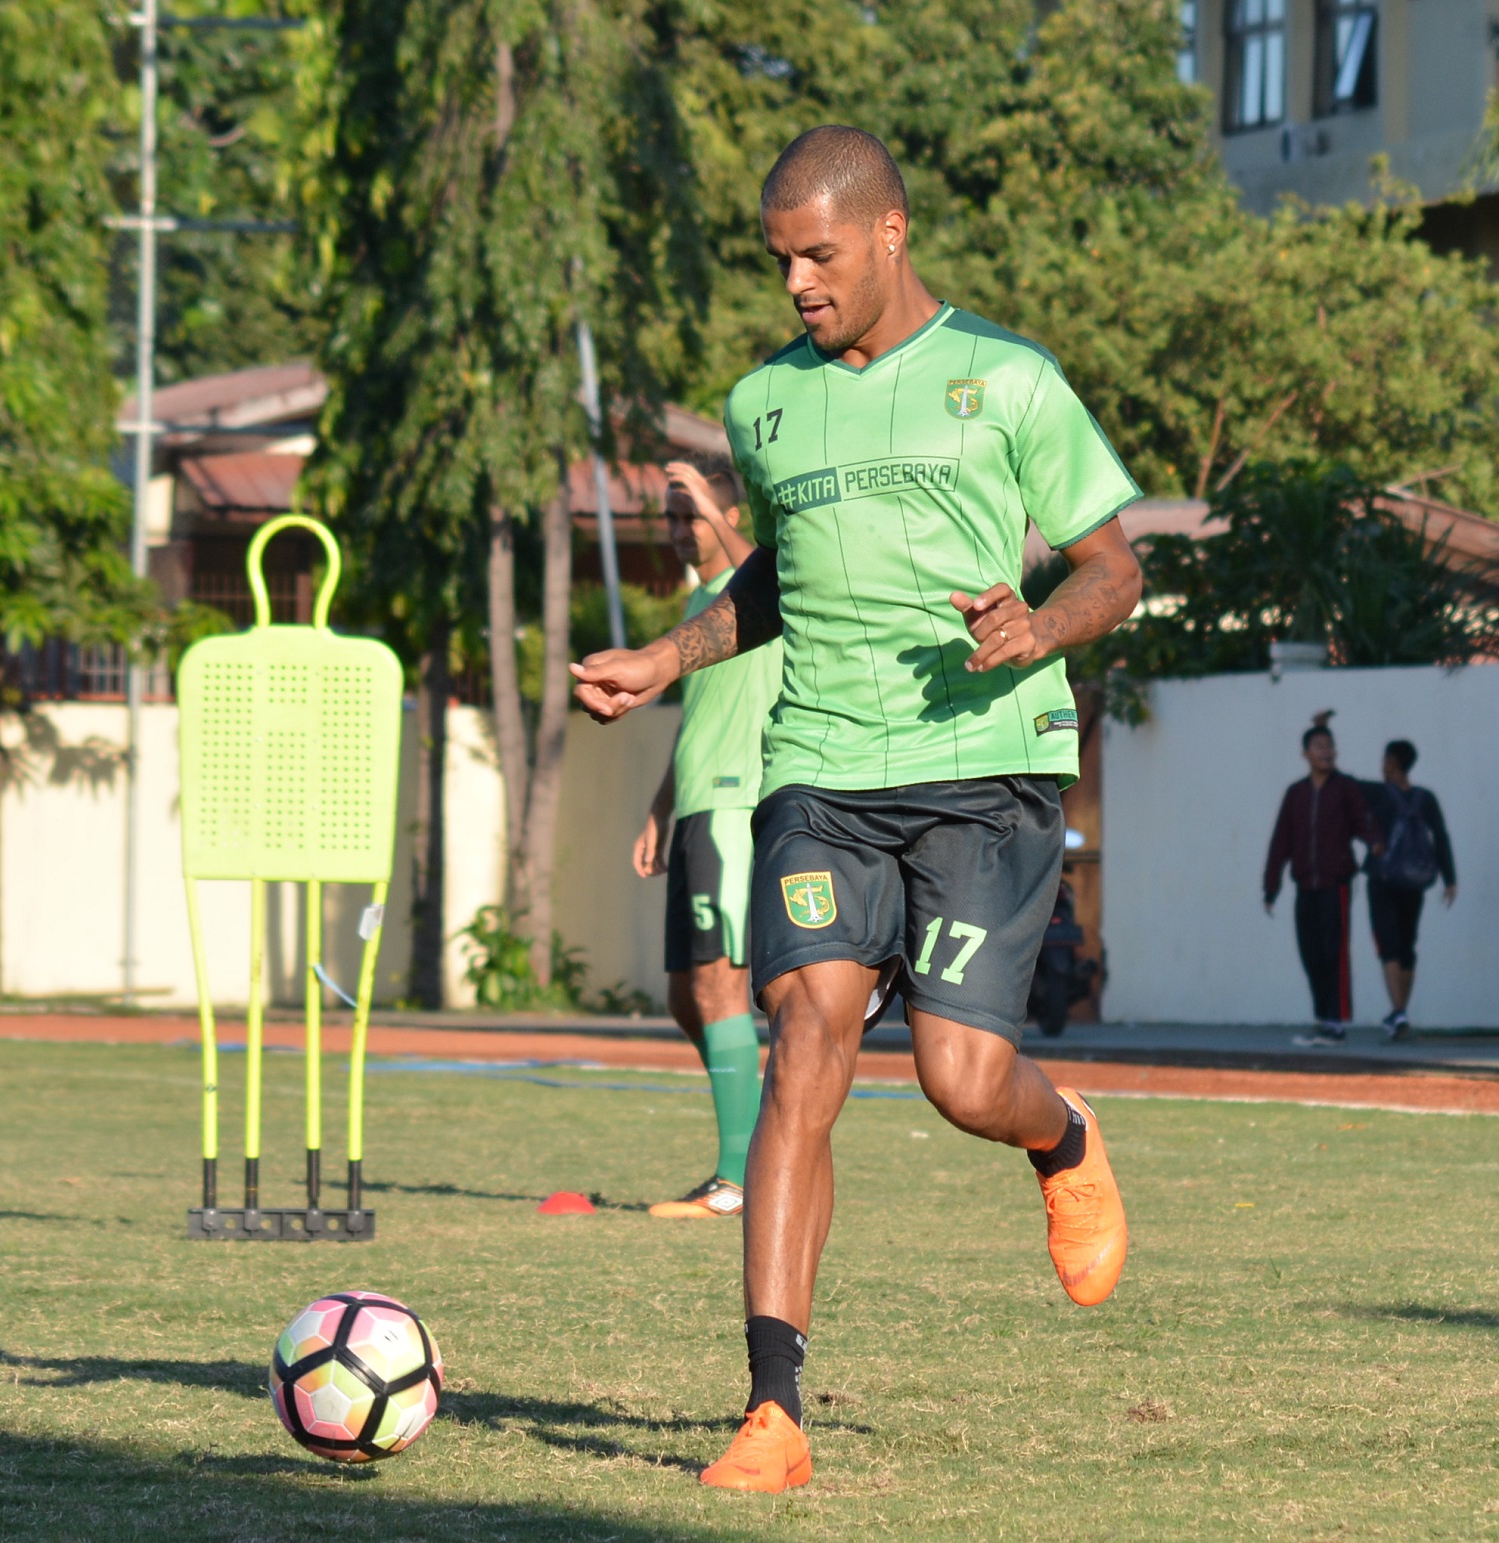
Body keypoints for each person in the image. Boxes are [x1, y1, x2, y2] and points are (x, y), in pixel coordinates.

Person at [570, 125, 1142, 1494]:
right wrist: (669, 653)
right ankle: (774, 1404)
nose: (799, 285)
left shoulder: (1009, 380)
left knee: (960, 1078)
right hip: (820, 769)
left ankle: (1061, 1137)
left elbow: (1114, 568)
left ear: (890, 231)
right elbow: (777, 577)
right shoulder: (764, 403)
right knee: (803, 1043)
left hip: (983, 770)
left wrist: (1038, 623)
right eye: (781, 262)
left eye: (819, 254)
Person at [631, 461, 782, 1220]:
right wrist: (660, 805)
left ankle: (739, 1178)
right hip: (694, 803)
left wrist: (718, 505)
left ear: (727, 517)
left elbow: (758, 559)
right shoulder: (699, 602)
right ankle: (755, 1138)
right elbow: (695, 720)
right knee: (685, 996)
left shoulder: (757, 592)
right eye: (670, 516)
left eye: (689, 514)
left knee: (720, 984)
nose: (678, 528)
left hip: (735, 803)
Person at [1262, 712, 1380, 1044]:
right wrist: (1271, 886)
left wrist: (1375, 842)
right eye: (1318, 746)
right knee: (1310, 952)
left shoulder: (1345, 788)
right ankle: (1323, 1016)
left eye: (1329, 746)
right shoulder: (1296, 793)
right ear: (1305, 753)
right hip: (1305, 886)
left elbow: (1364, 820)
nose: (1325, 752)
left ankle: (1337, 1019)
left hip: (1336, 885)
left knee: (1334, 951)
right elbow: (1280, 841)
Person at [1360, 738, 1457, 1039]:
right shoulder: (1425, 798)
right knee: (1407, 946)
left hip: (1383, 879)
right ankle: (1400, 1011)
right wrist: (1449, 878)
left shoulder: (1377, 793)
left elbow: (1341, 781)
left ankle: (1398, 1012)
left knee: (1387, 945)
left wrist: (1320, 729)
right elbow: (1440, 836)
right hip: (1414, 881)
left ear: (1391, 762)